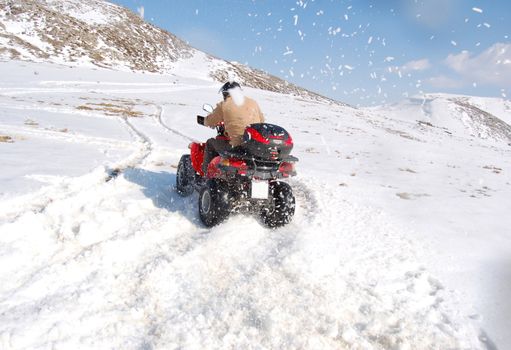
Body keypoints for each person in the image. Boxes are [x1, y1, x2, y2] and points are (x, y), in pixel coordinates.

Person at [202, 81, 265, 174]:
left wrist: (205, 121)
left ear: (226, 93)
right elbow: (262, 120)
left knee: (210, 143)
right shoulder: (253, 103)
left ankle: (206, 173)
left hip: (236, 145)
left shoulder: (224, 104)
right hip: (253, 145)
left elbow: (210, 121)